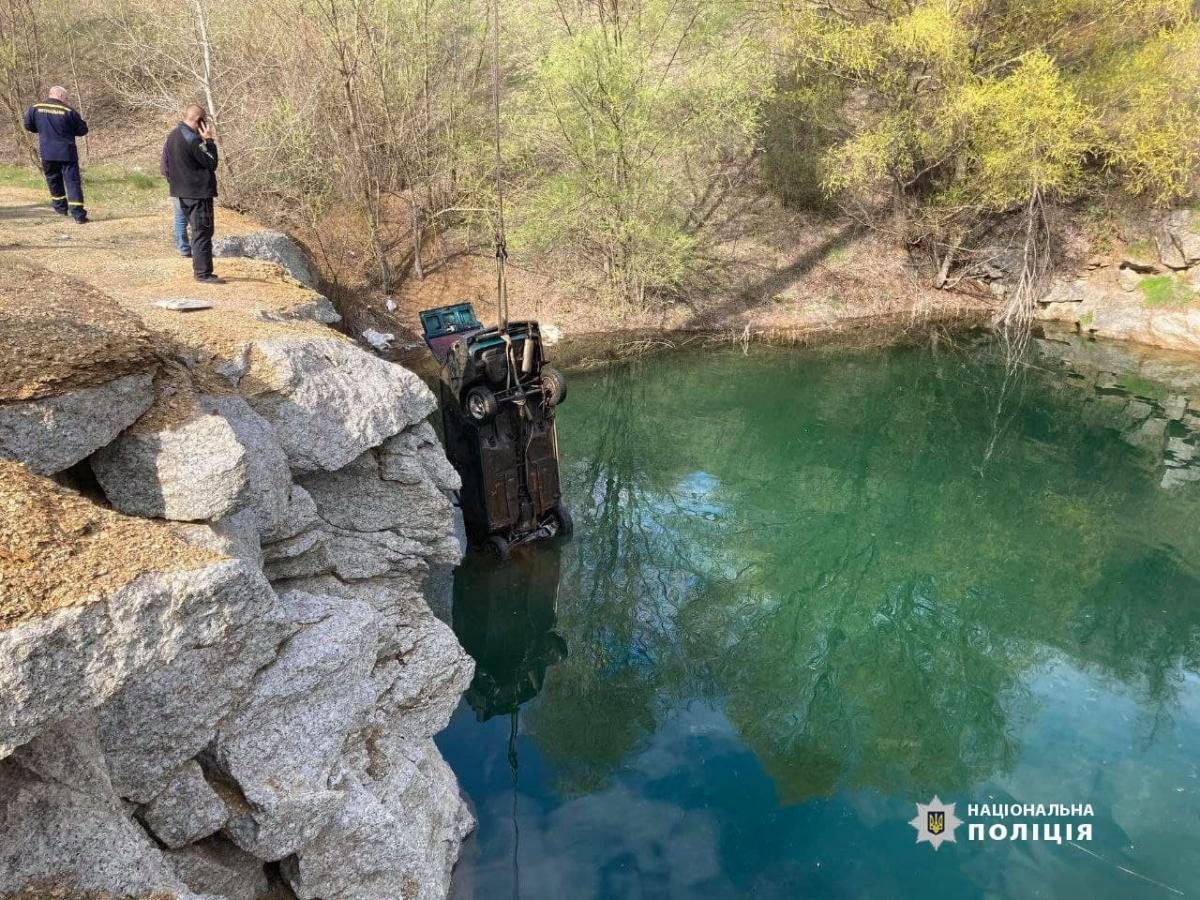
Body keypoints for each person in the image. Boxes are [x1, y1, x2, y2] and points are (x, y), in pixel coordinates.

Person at [163, 104, 222, 283]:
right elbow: (212, 163)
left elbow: (166, 163)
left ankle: (203, 270)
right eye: (204, 122)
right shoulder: (193, 140)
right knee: (202, 232)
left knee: (198, 231)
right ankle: (203, 273)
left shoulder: (173, 135)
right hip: (197, 193)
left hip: (181, 192)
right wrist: (209, 142)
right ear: (199, 121)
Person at [22, 86, 89, 224]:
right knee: (72, 182)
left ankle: (60, 209)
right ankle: (78, 215)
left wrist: (42, 130)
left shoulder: (35, 108)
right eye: (65, 97)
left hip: (47, 152)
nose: (66, 100)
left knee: (53, 180)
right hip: (67, 152)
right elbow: (82, 130)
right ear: (60, 95)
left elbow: (28, 125)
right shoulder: (68, 111)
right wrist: (69, 131)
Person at [160, 139, 191, 257]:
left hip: (176, 184)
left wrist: (170, 178)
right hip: (191, 186)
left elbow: (164, 167)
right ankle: (197, 248)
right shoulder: (194, 141)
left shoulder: (170, 141)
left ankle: (183, 249)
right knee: (190, 217)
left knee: (180, 217)